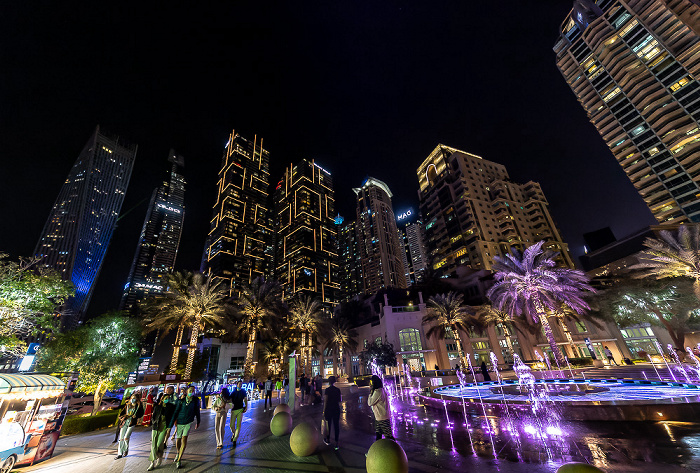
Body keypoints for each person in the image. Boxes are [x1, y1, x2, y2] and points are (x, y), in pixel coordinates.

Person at [170, 386, 200, 469]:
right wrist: (171, 424)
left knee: (184, 439)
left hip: (188, 422)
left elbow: (197, 411)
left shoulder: (195, 400)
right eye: (190, 390)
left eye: (193, 391)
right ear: (186, 391)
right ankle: (178, 453)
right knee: (178, 439)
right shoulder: (181, 401)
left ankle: (179, 459)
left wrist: (198, 421)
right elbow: (175, 412)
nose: (192, 392)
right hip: (180, 422)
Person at [148, 388, 176, 470]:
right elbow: (153, 417)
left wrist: (169, 426)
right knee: (153, 445)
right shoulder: (157, 407)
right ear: (162, 399)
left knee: (159, 444)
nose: (166, 400)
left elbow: (172, 417)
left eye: (168, 399)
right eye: (165, 399)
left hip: (164, 427)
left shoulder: (170, 407)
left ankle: (159, 458)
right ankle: (152, 462)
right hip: (155, 427)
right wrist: (153, 423)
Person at [116, 392, 144, 459]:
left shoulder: (139, 406)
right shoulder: (127, 405)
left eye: (134, 398)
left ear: (137, 399)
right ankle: (119, 453)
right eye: (132, 398)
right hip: (125, 421)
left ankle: (125, 449)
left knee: (126, 437)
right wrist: (125, 416)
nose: (133, 399)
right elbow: (121, 414)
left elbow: (141, 413)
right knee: (121, 438)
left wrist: (136, 416)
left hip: (132, 422)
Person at [368, 375, 393, 440]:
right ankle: (378, 449)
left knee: (389, 437)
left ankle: (395, 449)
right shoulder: (381, 390)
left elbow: (370, 403)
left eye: (371, 382)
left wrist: (370, 393)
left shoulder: (377, 392)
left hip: (382, 418)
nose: (370, 384)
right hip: (380, 417)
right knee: (379, 436)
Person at [322, 376, 342, 449]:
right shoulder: (338, 390)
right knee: (336, 426)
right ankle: (336, 443)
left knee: (328, 425)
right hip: (336, 409)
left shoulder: (327, 390)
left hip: (328, 409)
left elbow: (325, 401)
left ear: (329, 382)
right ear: (334, 381)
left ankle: (328, 439)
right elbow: (340, 400)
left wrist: (323, 411)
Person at [229, 380, 248, 447]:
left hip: (240, 409)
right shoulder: (233, 392)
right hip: (234, 410)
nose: (240, 385)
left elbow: (245, 399)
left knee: (238, 425)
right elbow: (229, 399)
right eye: (239, 384)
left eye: (241, 384)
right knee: (231, 425)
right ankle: (234, 433)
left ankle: (235, 439)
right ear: (237, 384)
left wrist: (246, 407)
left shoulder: (243, 391)